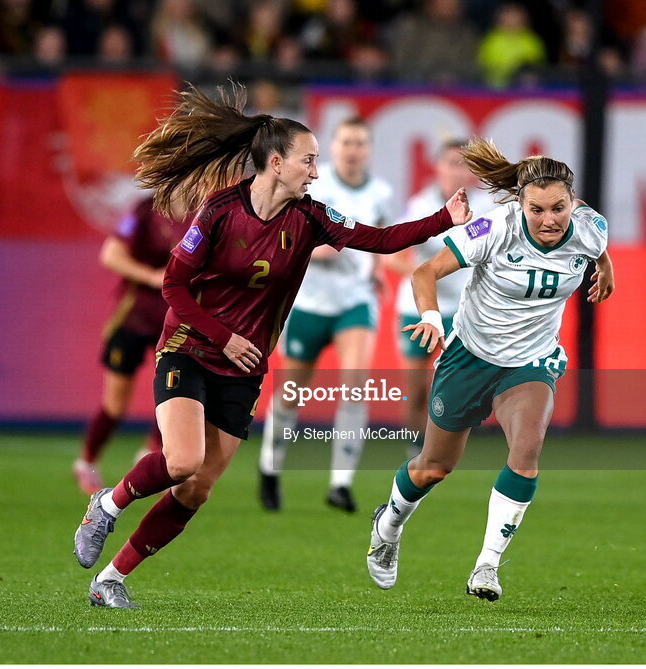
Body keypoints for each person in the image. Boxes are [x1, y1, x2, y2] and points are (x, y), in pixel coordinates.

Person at [72, 84, 472, 609]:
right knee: (181, 462)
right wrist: (224, 336)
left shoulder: (310, 218)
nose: (315, 170)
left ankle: (112, 579)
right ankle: (108, 502)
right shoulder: (218, 211)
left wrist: (445, 218)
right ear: (277, 162)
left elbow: (378, 239)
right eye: (309, 160)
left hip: (244, 369)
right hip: (191, 347)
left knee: (197, 489)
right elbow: (173, 287)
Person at [366, 139, 614, 602]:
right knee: (434, 468)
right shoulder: (492, 229)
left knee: (527, 450)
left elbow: (597, 248)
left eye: (559, 208)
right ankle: (388, 525)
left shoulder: (590, 227)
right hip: (469, 356)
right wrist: (429, 318)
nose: (549, 220)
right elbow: (424, 273)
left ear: (573, 203)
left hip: (530, 361)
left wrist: (607, 270)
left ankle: (487, 566)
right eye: (537, 209)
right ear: (520, 203)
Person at [257, 117, 393, 514]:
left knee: (355, 383)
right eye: (347, 142)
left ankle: (341, 482)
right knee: (290, 394)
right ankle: (269, 468)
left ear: (368, 150)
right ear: (334, 148)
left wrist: (378, 273)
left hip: (354, 301)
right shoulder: (316, 185)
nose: (353, 149)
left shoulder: (380, 192)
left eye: (360, 143)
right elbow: (287, 238)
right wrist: (316, 251)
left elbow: (380, 235)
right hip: (308, 302)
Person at [383, 139, 490, 458]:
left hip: (462, 311)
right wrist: (429, 272)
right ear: (438, 167)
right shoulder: (420, 206)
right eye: (451, 163)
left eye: (464, 164)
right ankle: (414, 453)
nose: (458, 172)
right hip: (417, 308)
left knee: (456, 389)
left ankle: (443, 448)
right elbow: (393, 258)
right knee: (415, 391)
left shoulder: (487, 208)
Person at [72, 195, 186, 495]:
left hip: (178, 320)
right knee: (116, 403)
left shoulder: (208, 210)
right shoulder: (146, 209)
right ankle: (87, 462)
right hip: (133, 317)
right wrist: (151, 276)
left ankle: (150, 454)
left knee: (179, 394)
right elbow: (111, 254)